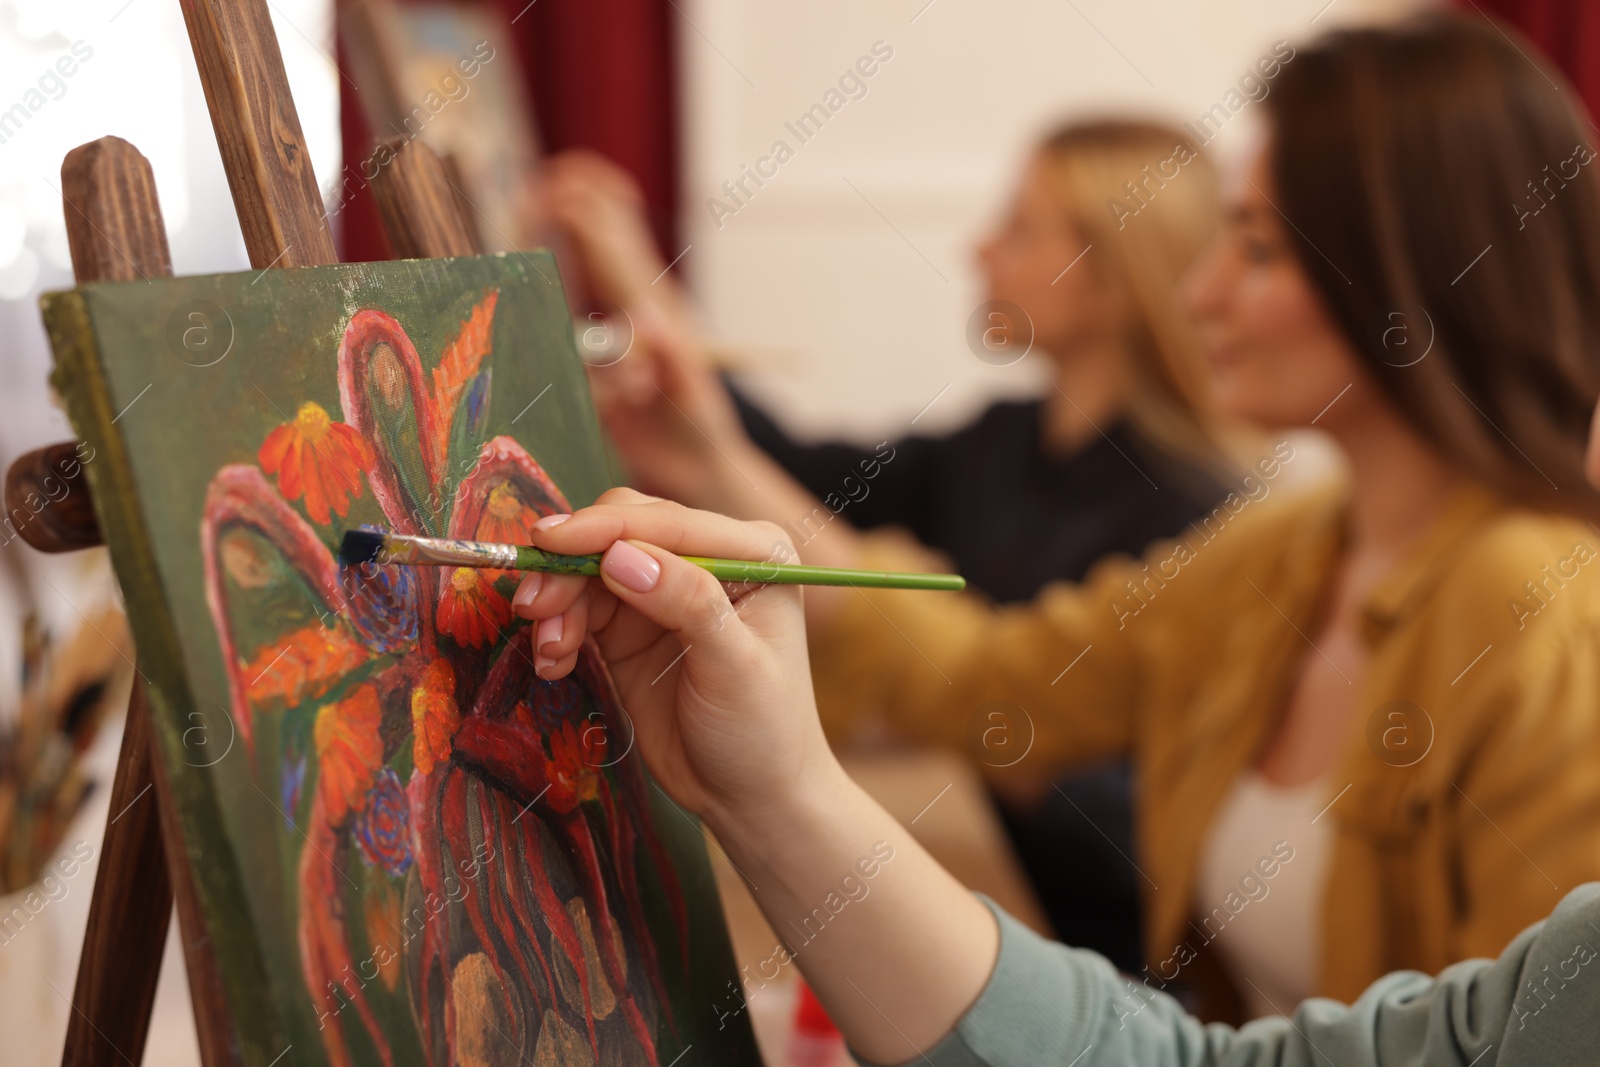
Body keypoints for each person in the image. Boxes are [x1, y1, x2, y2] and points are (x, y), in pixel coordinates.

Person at [529, 11, 1600, 1030]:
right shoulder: (1290, 545)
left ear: (1407, 285)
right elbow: (993, 679)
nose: (1199, 294)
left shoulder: (1544, 617)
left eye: (1258, 251)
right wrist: (720, 481)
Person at [541, 121, 1242, 972]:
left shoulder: (1203, 515)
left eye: (1020, 228)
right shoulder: (1003, 440)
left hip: (1083, 950)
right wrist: (687, 405)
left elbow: (1132, 823)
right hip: (966, 875)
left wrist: (994, 741)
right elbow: (808, 474)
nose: (980, 246)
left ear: (1110, 279)